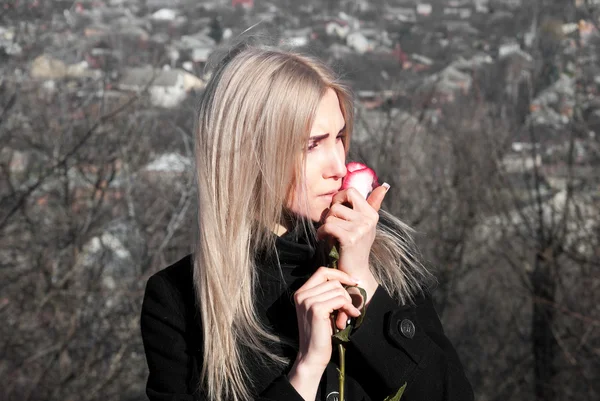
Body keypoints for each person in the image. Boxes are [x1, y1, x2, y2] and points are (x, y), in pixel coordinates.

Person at [140, 42, 474, 401]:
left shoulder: (384, 252)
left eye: (340, 138)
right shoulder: (178, 301)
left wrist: (365, 285)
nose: (338, 167)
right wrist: (307, 369)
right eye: (312, 145)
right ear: (251, 153)